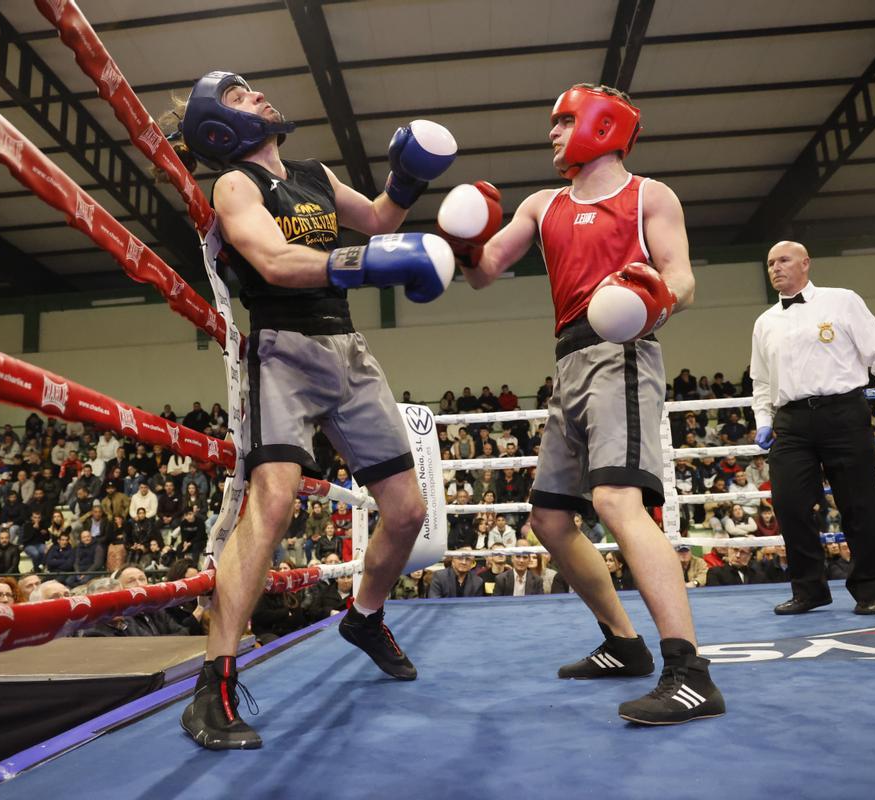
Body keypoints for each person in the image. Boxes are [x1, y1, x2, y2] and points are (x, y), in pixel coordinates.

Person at [163, 70, 456, 749]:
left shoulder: (313, 172)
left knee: (408, 511)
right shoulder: (237, 184)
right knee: (272, 504)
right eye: (239, 96)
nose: (259, 95)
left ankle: (363, 615)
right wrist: (373, 262)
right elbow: (270, 261)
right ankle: (215, 683)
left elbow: (381, 219)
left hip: (345, 348)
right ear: (220, 128)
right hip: (282, 350)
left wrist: (407, 181)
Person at [437, 83, 723, 724]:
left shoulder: (649, 195)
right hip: (568, 362)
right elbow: (484, 271)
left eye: (563, 121)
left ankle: (690, 672)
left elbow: (682, 275)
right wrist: (462, 240)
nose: (552, 134)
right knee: (549, 521)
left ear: (602, 123)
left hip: (623, 351)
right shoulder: (544, 205)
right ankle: (624, 643)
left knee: (617, 501)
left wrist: (655, 297)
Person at [751, 240, 875, 616]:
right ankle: (810, 590)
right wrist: (764, 420)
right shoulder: (765, 321)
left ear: (806, 263)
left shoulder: (842, 300)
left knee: (859, 506)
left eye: (784, 260)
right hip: (791, 421)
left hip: (843, 414)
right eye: (771, 263)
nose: (776, 268)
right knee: (789, 506)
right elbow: (760, 381)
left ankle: (869, 589)